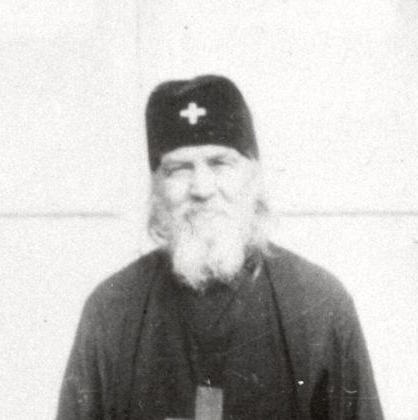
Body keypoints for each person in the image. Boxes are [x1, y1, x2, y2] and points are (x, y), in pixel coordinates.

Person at [56, 75, 384, 420]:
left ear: (254, 175)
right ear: (156, 187)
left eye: (220, 163)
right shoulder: (112, 310)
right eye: (179, 169)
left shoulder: (318, 304)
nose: (201, 188)